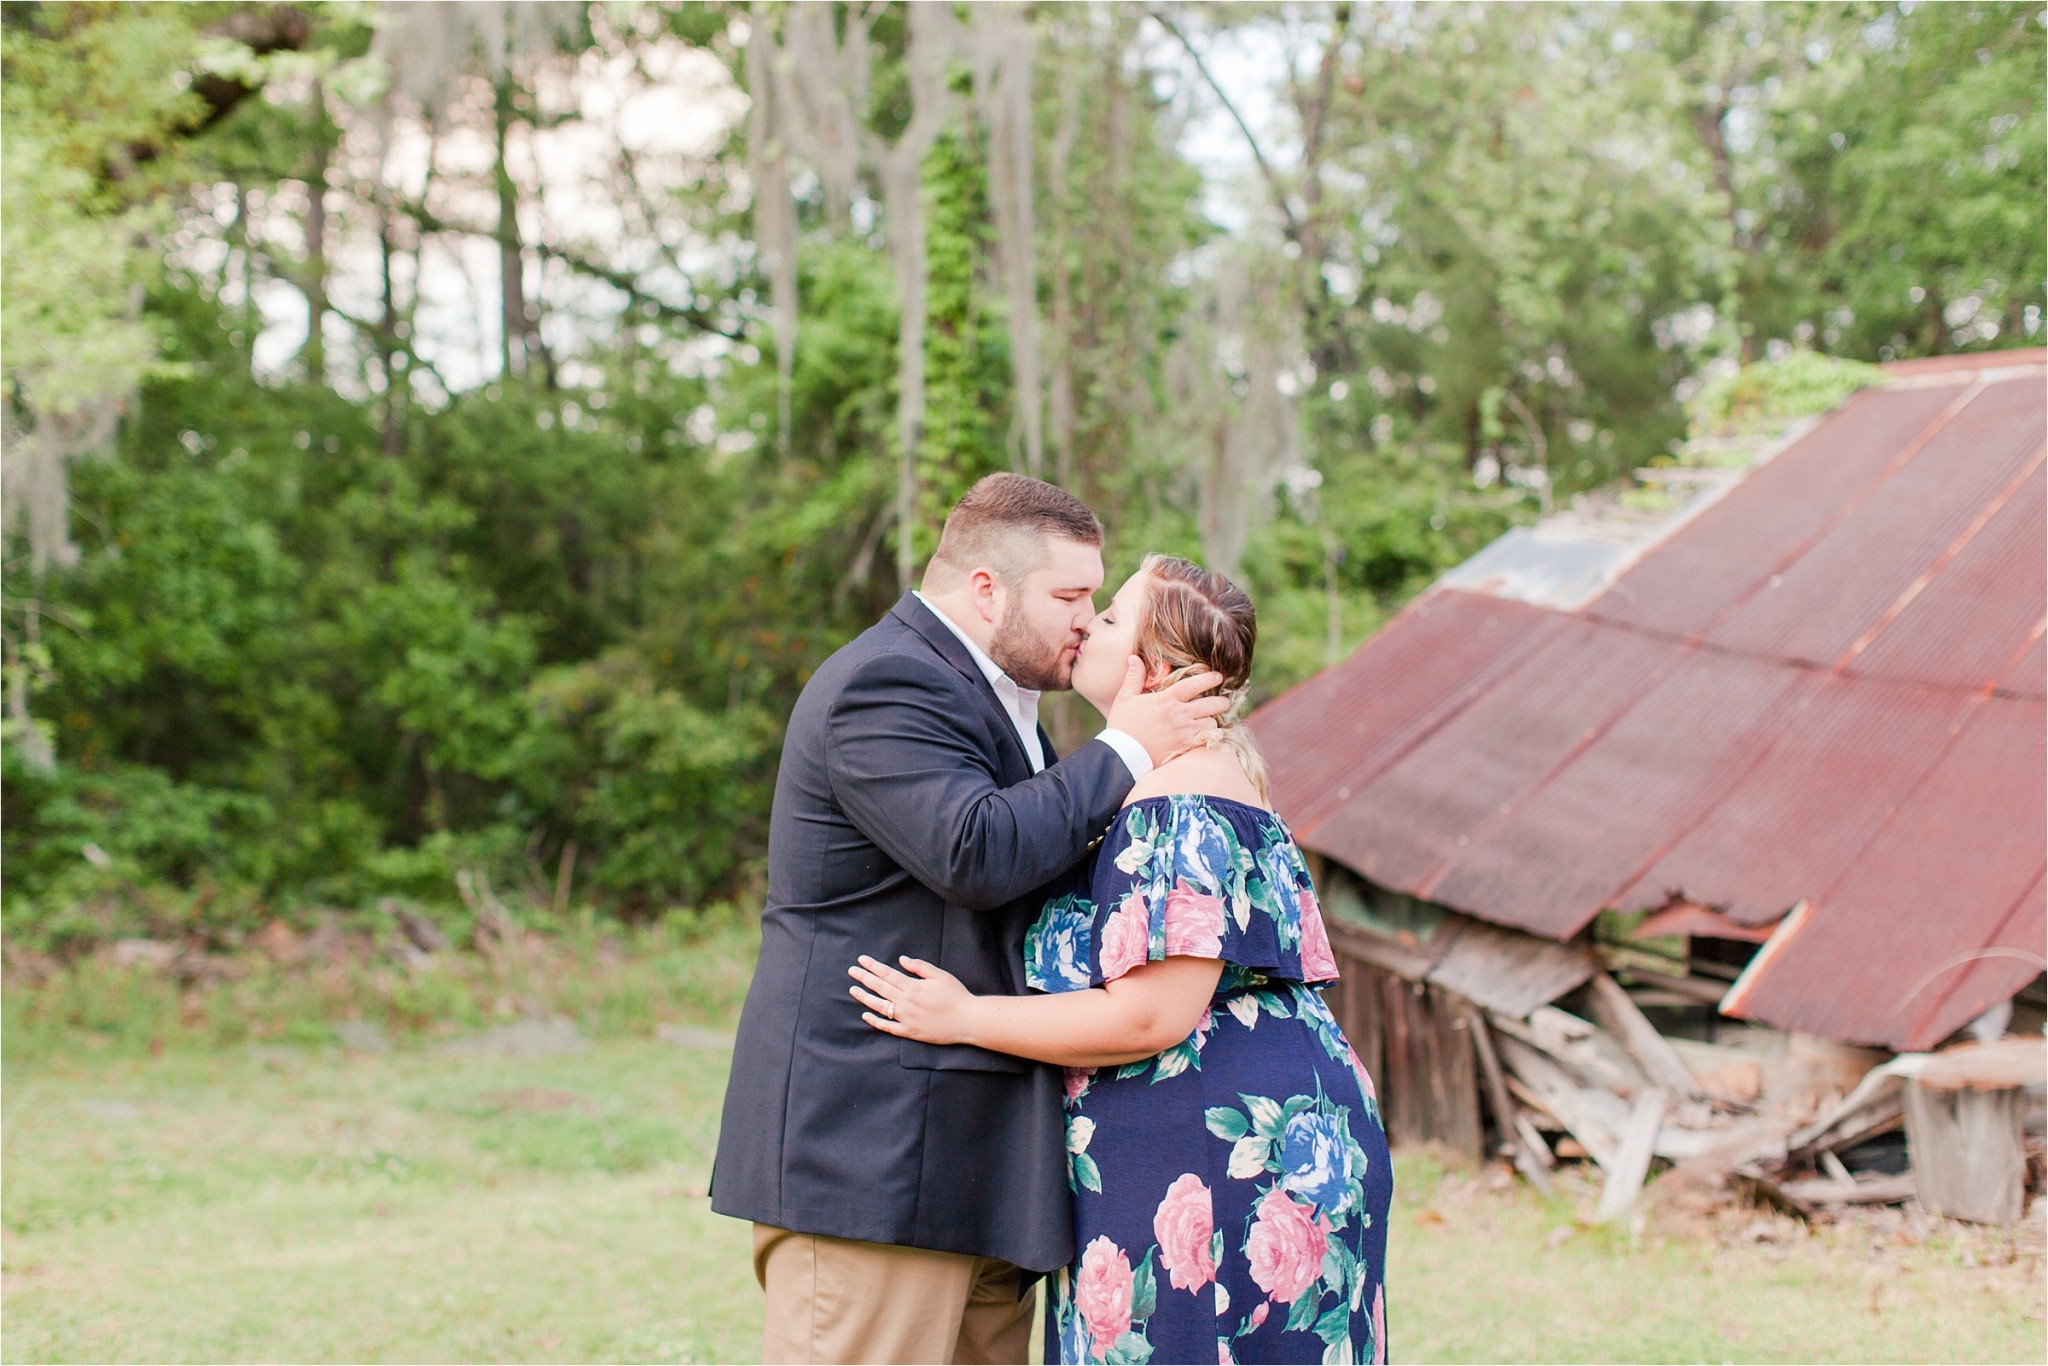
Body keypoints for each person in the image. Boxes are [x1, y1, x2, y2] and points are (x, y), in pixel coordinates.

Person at [711, 476, 1230, 1365]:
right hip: (874, 1160)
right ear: (985, 586)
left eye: (1095, 598)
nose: (1087, 617)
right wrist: (1131, 745)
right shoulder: (886, 683)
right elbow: (976, 851)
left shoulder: (1007, 706)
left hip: (980, 1170)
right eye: (1070, 596)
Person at [850, 555, 1393, 1366]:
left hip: (1216, 1157)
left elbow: (1151, 1012)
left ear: (1156, 670)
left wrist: (964, 1017)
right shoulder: (1165, 782)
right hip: (1191, 1141)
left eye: (1108, 619)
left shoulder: (1183, 796)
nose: (1085, 622)